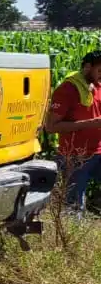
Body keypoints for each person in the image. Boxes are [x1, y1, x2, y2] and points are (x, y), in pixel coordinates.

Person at [45, 49, 101, 210]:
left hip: (97, 152)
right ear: (88, 67)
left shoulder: (96, 86)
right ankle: (71, 233)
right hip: (76, 156)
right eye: (99, 70)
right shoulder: (67, 89)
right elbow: (51, 127)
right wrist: (92, 123)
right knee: (74, 205)